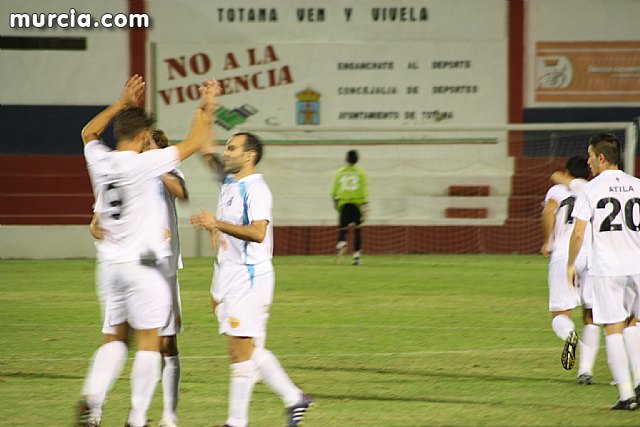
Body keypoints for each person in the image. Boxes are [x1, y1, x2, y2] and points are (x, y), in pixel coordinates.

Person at [77, 75, 217, 427]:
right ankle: (137, 417)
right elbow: (197, 141)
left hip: (109, 264)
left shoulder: (100, 160)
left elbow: (88, 133)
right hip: (146, 264)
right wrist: (205, 107)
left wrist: (121, 102)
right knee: (150, 342)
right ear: (142, 137)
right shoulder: (143, 163)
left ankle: (93, 400)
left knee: (114, 341)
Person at [190, 132, 313, 427]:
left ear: (249, 156)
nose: (226, 152)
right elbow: (205, 151)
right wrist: (206, 107)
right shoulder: (231, 182)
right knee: (247, 347)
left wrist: (215, 224)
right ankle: (295, 398)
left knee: (240, 349)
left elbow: (258, 233)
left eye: (232, 148)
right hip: (227, 272)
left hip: (249, 274)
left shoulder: (256, 189)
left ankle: (236, 421)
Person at [90, 129, 188, 427]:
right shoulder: (126, 174)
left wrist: (154, 167)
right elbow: (96, 221)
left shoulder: (167, 171)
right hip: (129, 266)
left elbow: (182, 193)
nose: (146, 150)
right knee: (115, 339)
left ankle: (168, 415)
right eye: (145, 145)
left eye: (152, 147)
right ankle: (97, 412)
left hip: (164, 268)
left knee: (166, 344)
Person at [568, 133, 640, 410]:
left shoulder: (591, 188)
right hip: (638, 265)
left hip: (608, 268)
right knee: (635, 324)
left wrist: (571, 264)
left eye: (589, 155)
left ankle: (625, 395)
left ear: (601, 157)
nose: (587, 161)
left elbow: (578, 234)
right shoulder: (637, 185)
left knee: (613, 329)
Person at [542, 156, 600, 383]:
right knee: (591, 315)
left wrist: (548, 240)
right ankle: (586, 371)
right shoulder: (594, 190)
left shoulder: (557, 190)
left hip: (565, 253)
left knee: (560, 314)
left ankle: (570, 335)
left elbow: (548, 211)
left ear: (566, 172)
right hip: (593, 256)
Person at [331, 149, 369, 265]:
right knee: (357, 231)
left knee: (343, 228)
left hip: (344, 204)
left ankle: (342, 241)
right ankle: (356, 257)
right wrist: (366, 205)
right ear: (357, 159)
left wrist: (336, 203)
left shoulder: (339, 173)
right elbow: (364, 190)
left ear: (346, 159)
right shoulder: (361, 173)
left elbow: (333, 191)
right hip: (357, 205)